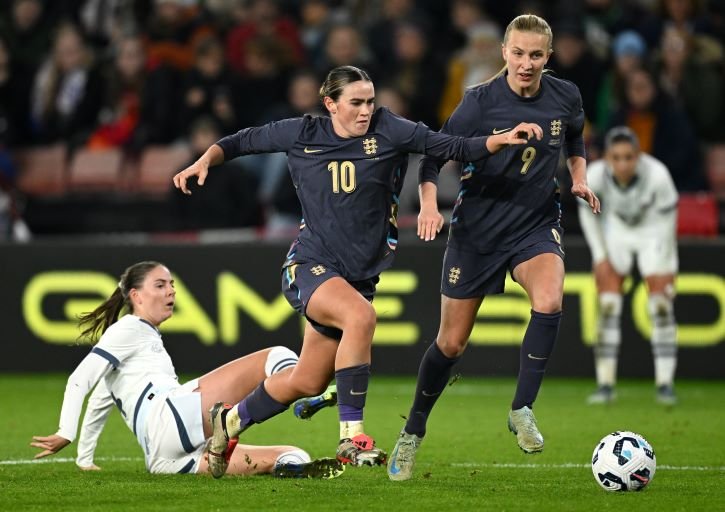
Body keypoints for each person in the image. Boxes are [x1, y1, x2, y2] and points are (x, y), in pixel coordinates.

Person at [172, 65, 542, 478]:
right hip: (310, 264)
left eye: (370, 101)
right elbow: (241, 142)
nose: (366, 110)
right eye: (356, 103)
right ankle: (351, 434)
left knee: (308, 381)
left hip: (359, 277)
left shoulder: (391, 129)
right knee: (360, 317)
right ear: (330, 104)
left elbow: (449, 146)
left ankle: (231, 422)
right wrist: (205, 160)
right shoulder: (302, 133)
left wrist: (499, 140)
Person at [385, 14, 600, 481]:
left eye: (536, 55)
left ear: (549, 56)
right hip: (477, 234)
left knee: (549, 300)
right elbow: (434, 156)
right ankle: (413, 431)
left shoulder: (566, 95)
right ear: (504, 52)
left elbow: (576, 138)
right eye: (518, 53)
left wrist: (579, 178)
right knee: (451, 342)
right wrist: (427, 207)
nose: (526, 63)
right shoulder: (478, 103)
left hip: (535, 225)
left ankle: (522, 408)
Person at [30, 260, 343, 478]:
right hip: (169, 419)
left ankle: (290, 467)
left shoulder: (134, 342)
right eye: (161, 284)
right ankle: (304, 395)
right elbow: (79, 379)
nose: (171, 291)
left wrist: (85, 460)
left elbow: (100, 399)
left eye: (172, 285)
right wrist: (65, 433)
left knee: (293, 454)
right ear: (136, 296)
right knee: (276, 356)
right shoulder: (129, 329)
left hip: (166, 458)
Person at [579, 127, 678, 406]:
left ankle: (665, 384)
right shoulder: (595, 176)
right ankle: (606, 383)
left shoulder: (658, 176)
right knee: (608, 305)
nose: (622, 164)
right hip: (618, 233)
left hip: (653, 234)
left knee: (660, 306)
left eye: (628, 157)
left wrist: (665, 264)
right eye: (617, 157)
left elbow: (667, 226)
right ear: (608, 158)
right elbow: (588, 217)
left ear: (639, 156)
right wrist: (600, 255)